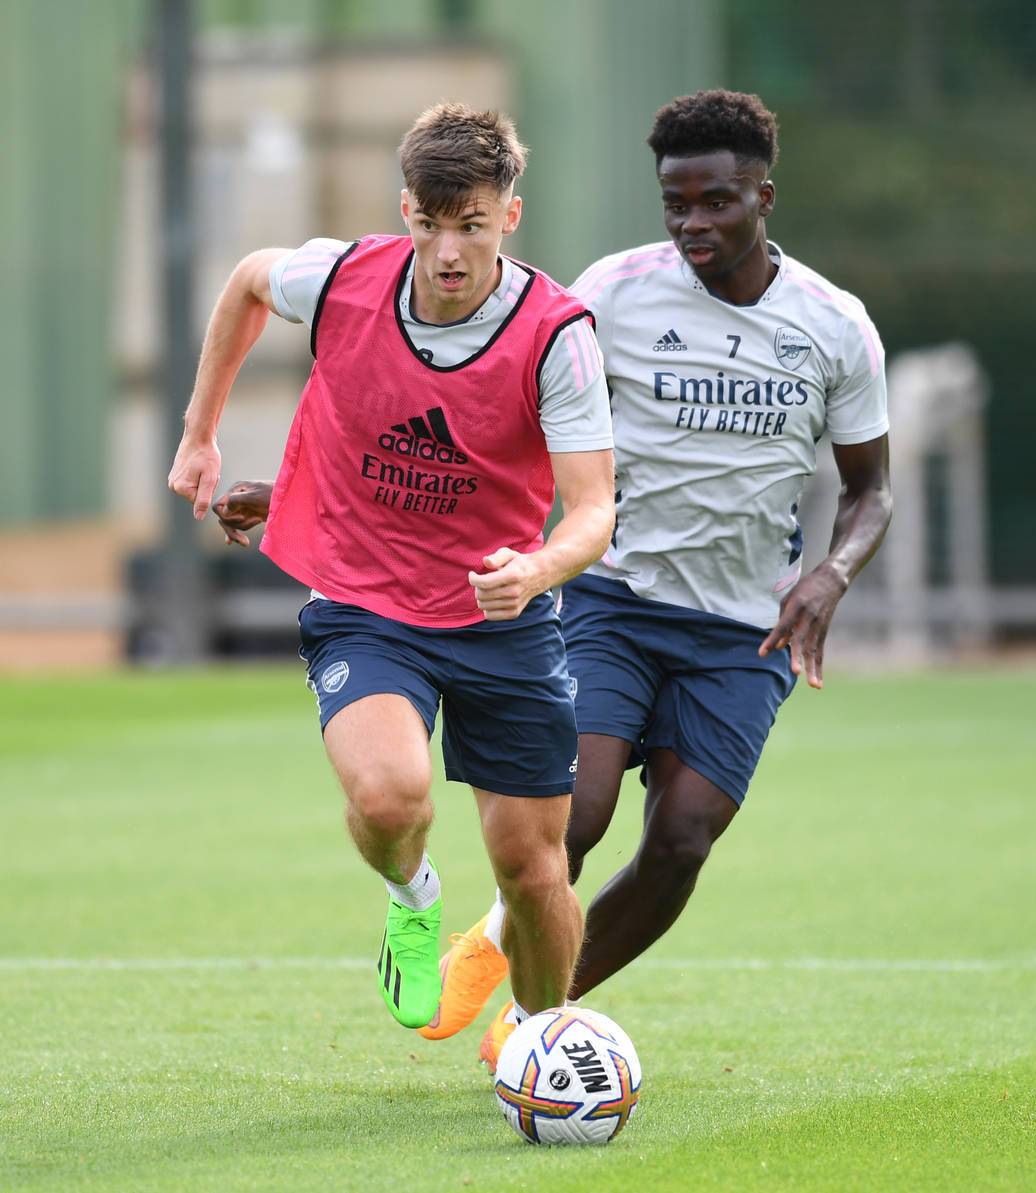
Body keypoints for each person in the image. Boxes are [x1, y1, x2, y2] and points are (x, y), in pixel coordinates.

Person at [419, 88, 892, 1069]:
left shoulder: (834, 325)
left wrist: (832, 576)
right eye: (674, 203)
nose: (692, 224)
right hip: (611, 601)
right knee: (575, 813)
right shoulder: (614, 292)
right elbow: (506, 396)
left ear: (764, 194)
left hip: (743, 628)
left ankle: (539, 1017)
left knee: (680, 835)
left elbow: (870, 490)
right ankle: (508, 954)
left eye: (715, 202)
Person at [168, 103, 616, 1032]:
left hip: (502, 616)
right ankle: (413, 898)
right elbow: (250, 283)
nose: (448, 251)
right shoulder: (343, 279)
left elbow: (593, 511)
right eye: (428, 222)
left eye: (472, 226)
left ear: (510, 217)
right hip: (366, 603)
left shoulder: (555, 333)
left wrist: (535, 571)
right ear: (405, 207)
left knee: (533, 871)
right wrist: (200, 433)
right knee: (387, 794)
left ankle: (538, 1043)